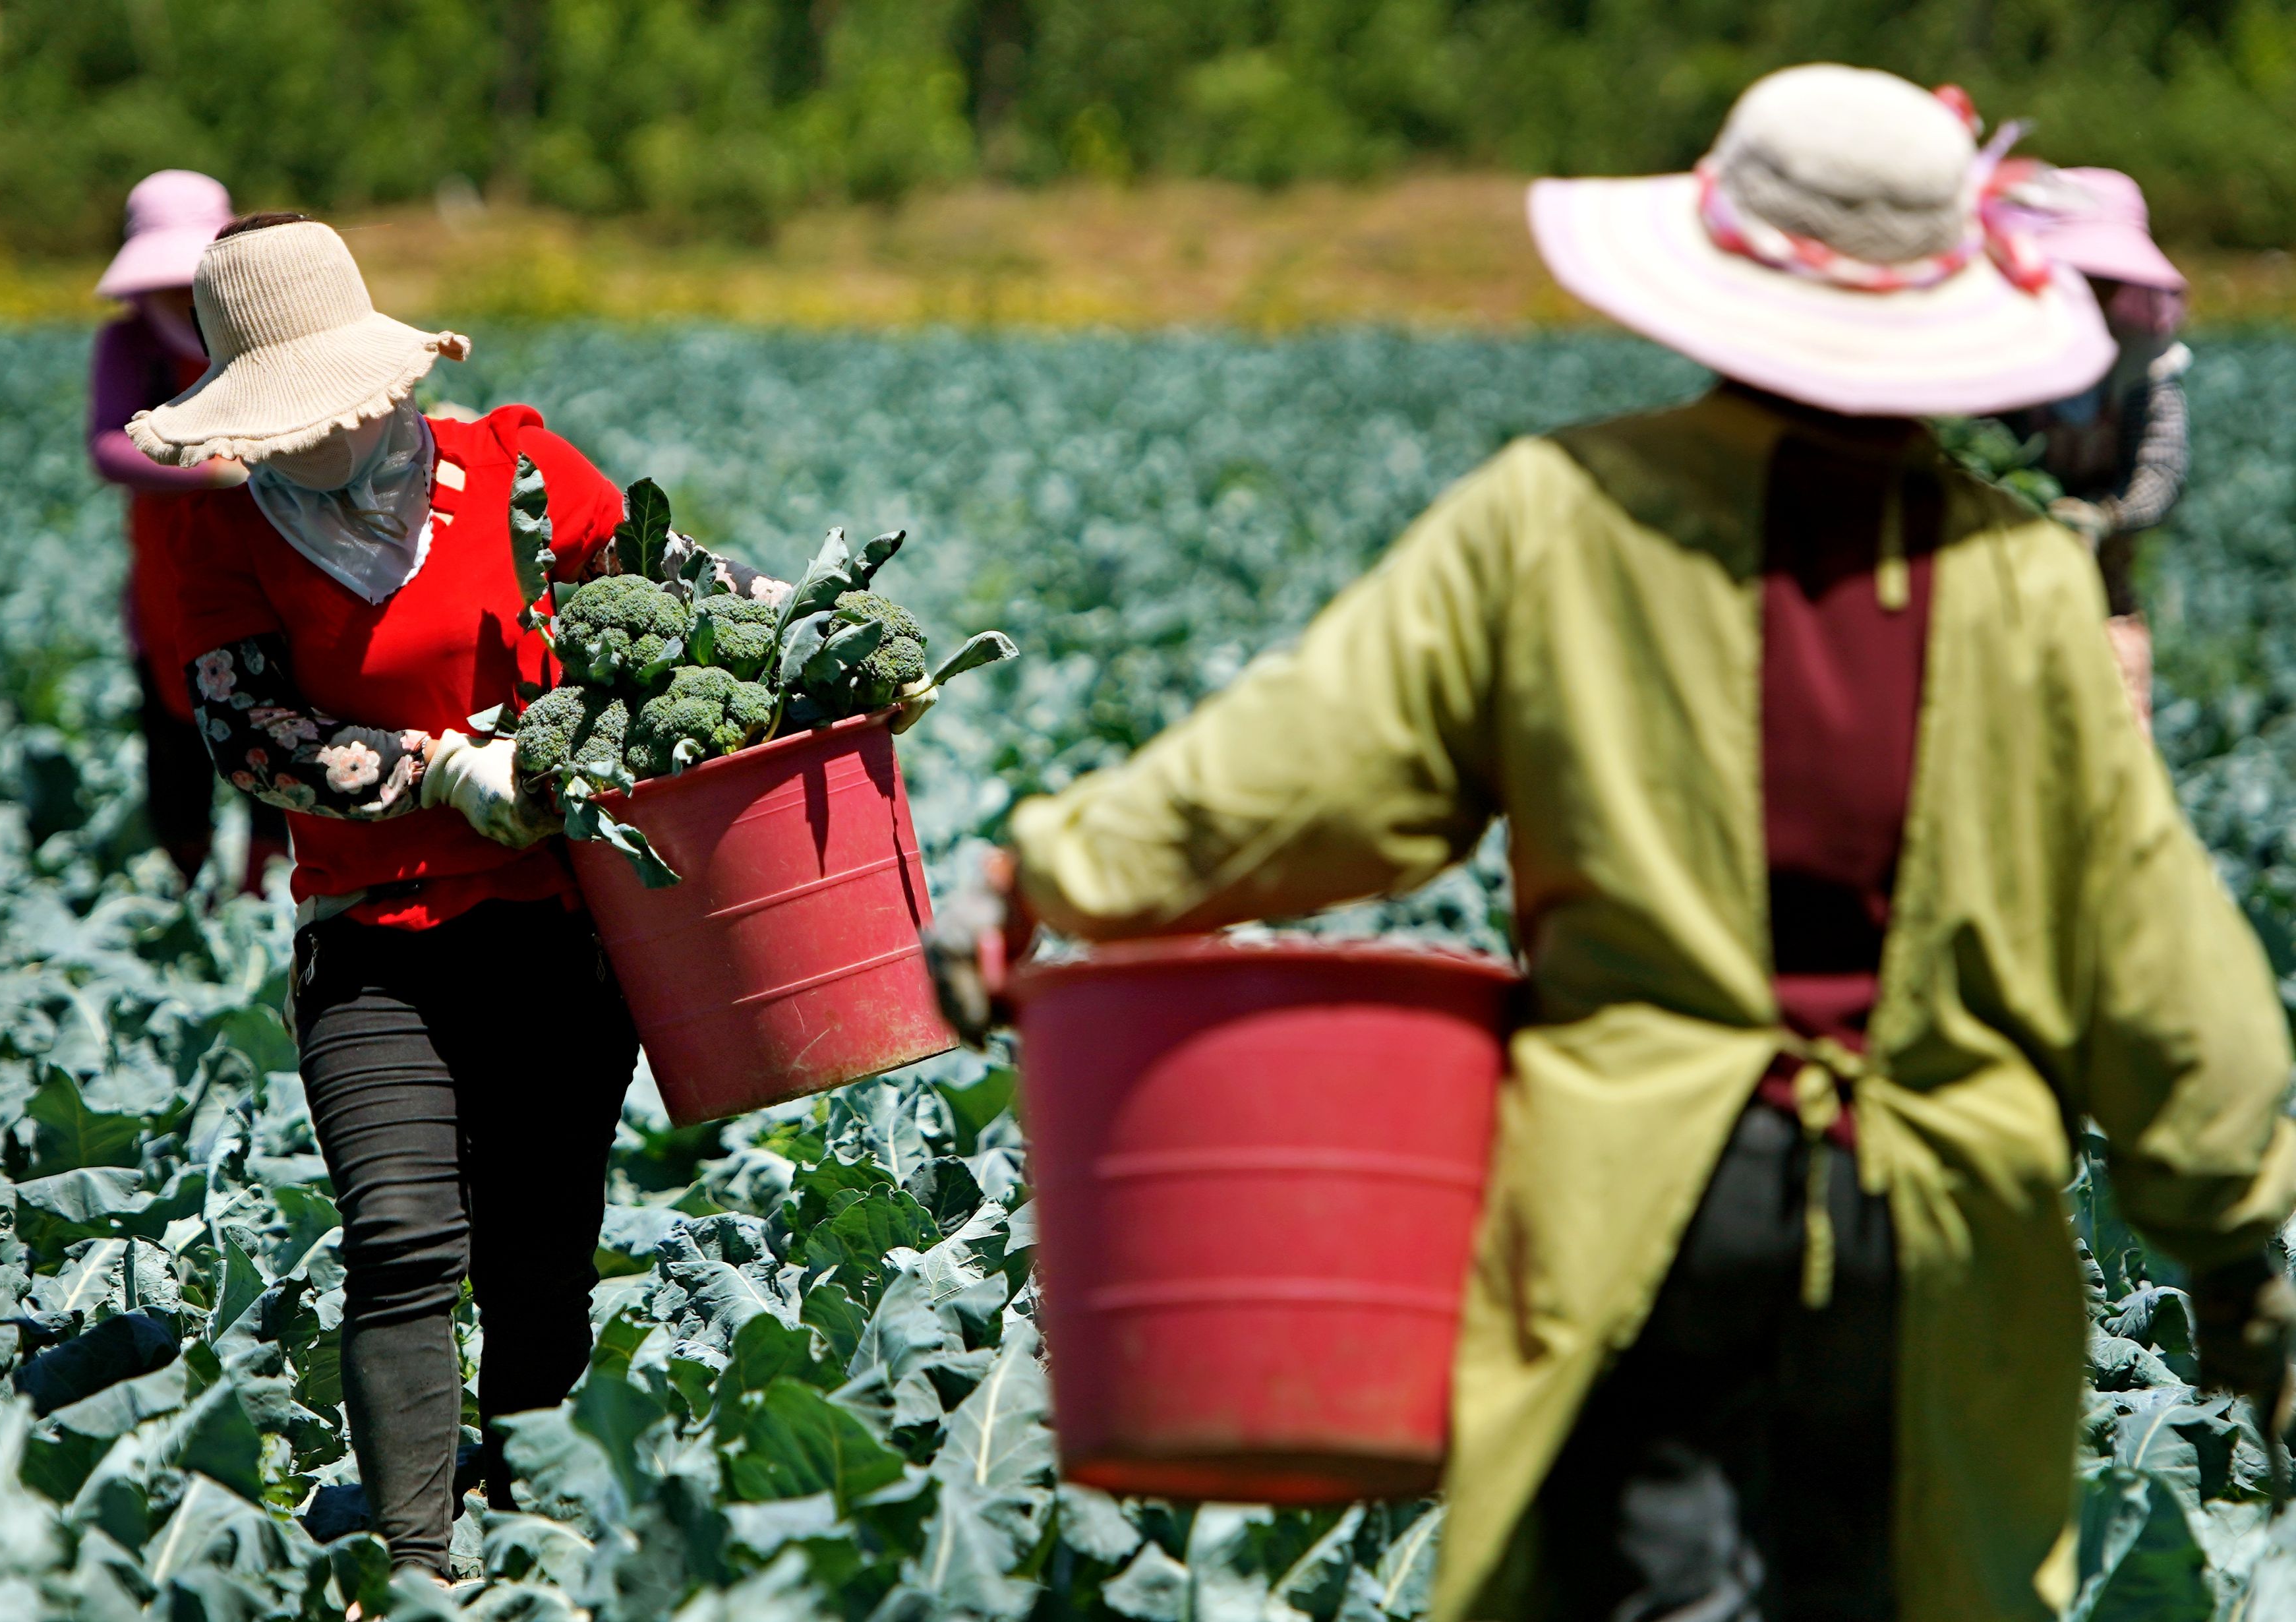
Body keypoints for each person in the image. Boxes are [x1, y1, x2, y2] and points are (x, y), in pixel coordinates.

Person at [929, 66, 2296, 1622]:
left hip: (1645, 1213)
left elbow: (1296, 771)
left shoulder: (1560, 518)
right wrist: (2242, 1261)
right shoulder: (2026, 584)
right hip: (1940, 1243)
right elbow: (2154, 955)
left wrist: (1037, 872)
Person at [131, 212, 769, 1577]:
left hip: (562, 931)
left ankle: (535, 1541)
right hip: (373, 944)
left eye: (328, 408)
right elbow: (248, 734)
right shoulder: (224, 543)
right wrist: (436, 775)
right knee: (402, 1236)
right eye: (278, 420)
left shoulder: (518, 469)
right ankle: (416, 1567)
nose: (309, 439)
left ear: (385, 382)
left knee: (542, 1254)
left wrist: (820, 647)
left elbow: (689, 590)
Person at [88, 169, 289, 891]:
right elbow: (106, 446)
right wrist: (206, 471)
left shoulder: (260, 331)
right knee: (174, 751)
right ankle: (191, 892)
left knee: (273, 734)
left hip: (266, 566)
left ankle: (267, 886)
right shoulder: (130, 347)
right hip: (166, 574)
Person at [2003, 167, 2193, 729]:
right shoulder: (1997, 359)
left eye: (2109, 274)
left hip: (2104, 597)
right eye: (2083, 271)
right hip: (1999, 599)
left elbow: (2161, 472)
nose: (2097, 286)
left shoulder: (2142, 367)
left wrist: (2106, 516)